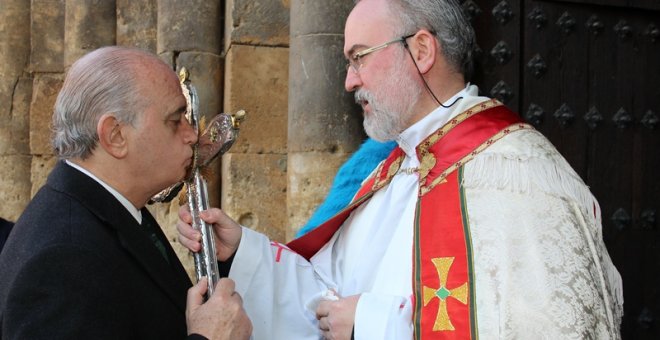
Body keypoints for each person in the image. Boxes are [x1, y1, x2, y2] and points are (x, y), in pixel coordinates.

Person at [178, 0, 623, 339]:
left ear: (422, 49)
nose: (350, 80)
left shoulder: (517, 174)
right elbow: (327, 295)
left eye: (359, 57)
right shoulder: (396, 169)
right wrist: (244, 252)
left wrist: (371, 323)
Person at [0, 46, 252, 339]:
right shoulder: (64, 259)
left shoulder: (107, 209)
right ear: (115, 135)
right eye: (175, 120)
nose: (192, 135)